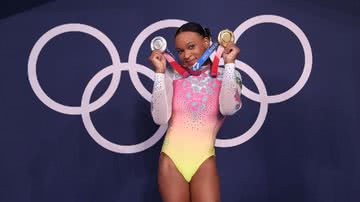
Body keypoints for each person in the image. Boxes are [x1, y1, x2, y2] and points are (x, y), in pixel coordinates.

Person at [149, 22, 242, 202]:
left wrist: (230, 65)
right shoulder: (172, 75)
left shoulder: (228, 75)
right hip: (171, 159)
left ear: (207, 42)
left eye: (191, 47)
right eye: (180, 51)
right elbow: (159, 118)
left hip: (204, 159)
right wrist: (160, 73)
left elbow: (228, 108)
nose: (186, 55)